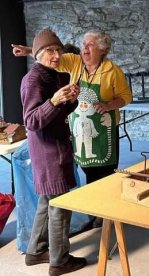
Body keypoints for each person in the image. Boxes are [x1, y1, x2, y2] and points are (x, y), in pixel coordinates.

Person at [13, 31, 132, 227]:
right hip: (79, 127)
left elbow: (126, 96)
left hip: (103, 130)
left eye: (90, 45)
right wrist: (29, 51)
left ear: (102, 50)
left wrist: (109, 105)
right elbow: (50, 57)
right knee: (86, 171)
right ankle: (94, 214)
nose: (84, 48)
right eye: (84, 44)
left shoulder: (113, 71)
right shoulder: (75, 62)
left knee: (104, 174)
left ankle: (106, 216)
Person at [19, 28, 87, 276]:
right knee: (60, 203)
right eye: (50, 50)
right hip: (48, 151)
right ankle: (59, 261)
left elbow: (60, 112)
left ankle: (35, 251)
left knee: (47, 199)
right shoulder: (33, 80)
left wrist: (71, 100)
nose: (56, 55)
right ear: (38, 54)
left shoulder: (53, 75)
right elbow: (32, 121)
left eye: (58, 50)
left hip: (55, 145)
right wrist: (54, 101)